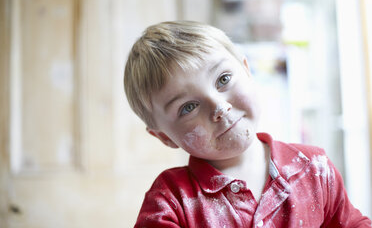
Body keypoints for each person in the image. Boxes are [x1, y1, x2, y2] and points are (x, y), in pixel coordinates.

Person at [124, 21, 372, 227]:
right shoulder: (170, 201)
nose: (220, 107)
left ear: (247, 70)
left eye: (223, 79)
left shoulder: (313, 168)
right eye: (188, 107)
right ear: (164, 137)